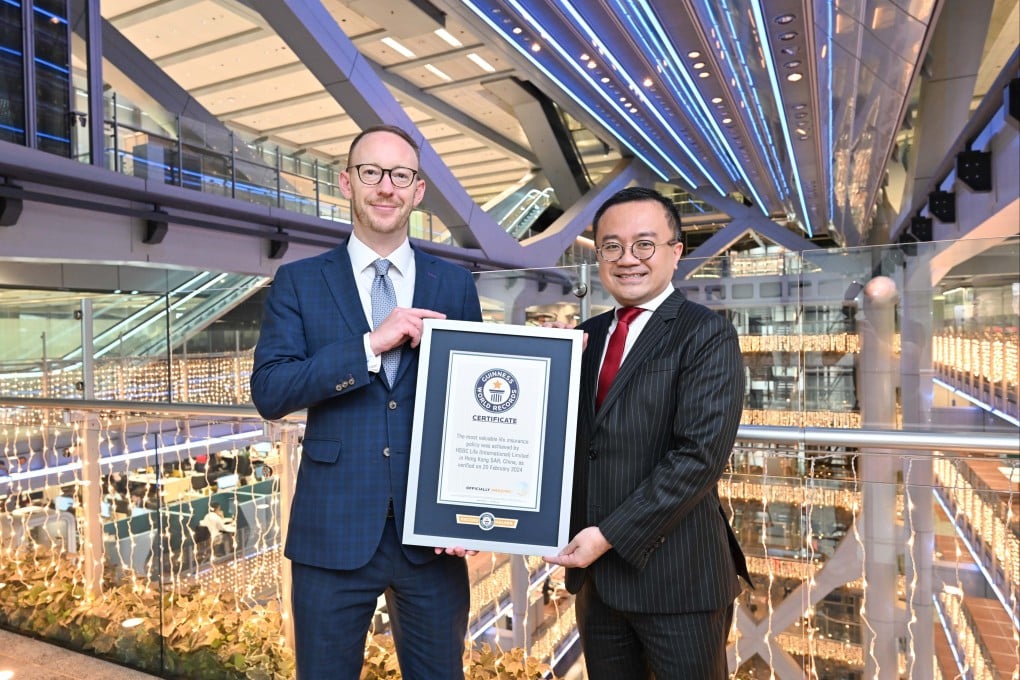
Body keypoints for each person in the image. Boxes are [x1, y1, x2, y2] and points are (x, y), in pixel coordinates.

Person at [250, 124, 482, 680]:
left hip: (431, 535)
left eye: (400, 176)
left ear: (418, 190)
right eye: (372, 173)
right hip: (331, 531)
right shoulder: (299, 282)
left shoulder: (454, 284)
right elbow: (271, 392)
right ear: (346, 183)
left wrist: (469, 509)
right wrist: (369, 346)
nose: (386, 187)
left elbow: (471, 410)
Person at [544, 186, 750, 679]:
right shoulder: (584, 337)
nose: (627, 259)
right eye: (611, 246)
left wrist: (607, 536)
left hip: (679, 582)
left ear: (675, 252)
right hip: (597, 585)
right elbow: (565, 443)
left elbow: (697, 458)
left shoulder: (706, 333)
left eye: (644, 244)